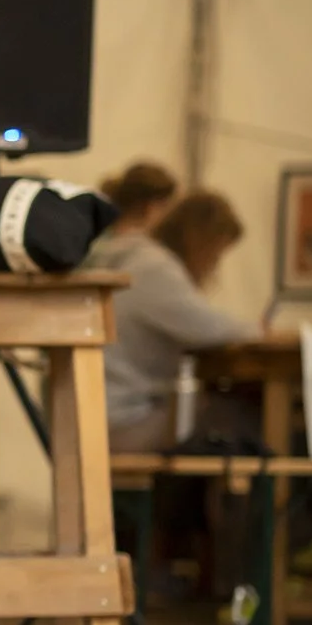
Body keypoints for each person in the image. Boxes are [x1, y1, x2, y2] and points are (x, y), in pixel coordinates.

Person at [103, 189, 258, 452]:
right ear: (202, 242)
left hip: (105, 410)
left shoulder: (136, 257)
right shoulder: (156, 268)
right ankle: (276, 490)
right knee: (241, 418)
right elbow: (206, 327)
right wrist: (257, 330)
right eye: (216, 254)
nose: (215, 266)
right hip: (122, 419)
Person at [87, 161, 179, 260]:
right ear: (149, 207)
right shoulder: (146, 255)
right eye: (165, 206)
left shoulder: (96, 241)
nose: (168, 216)